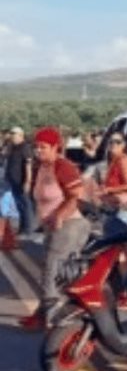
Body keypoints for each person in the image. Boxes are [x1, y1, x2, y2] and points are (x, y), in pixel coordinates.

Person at [18, 127, 92, 330]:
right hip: (52, 227)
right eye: (36, 147)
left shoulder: (63, 166)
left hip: (69, 225)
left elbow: (75, 195)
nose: (38, 151)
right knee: (51, 271)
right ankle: (43, 315)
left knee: (53, 271)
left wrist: (59, 215)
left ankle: (54, 323)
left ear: (55, 147)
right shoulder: (41, 167)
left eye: (43, 147)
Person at [5, 126, 36, 234]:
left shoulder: (25, 147)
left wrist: (27, 181)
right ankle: (22, 227)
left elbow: (28, 165)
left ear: (20, 135)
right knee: (19, 205)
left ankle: (28, 229)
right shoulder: (13, 147)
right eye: (11, 134)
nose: (12, 136)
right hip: (14, 180)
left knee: (26, 204)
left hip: (21, 181)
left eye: (14, 134)